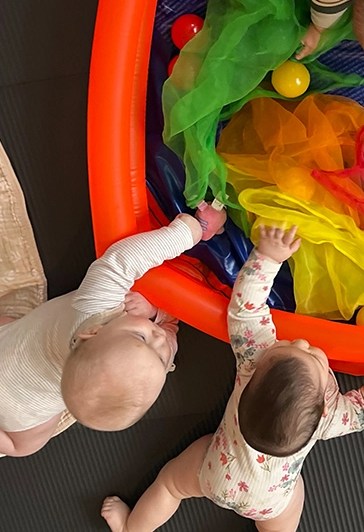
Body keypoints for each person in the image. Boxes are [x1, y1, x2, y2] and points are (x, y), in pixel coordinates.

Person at [101, 224, 364, 532]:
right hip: (268, 500)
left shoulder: (255, 359)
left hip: (216, 473)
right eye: (314, 356)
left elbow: (246, 309)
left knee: (170, 486)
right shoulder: (328, 416)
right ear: (323, 403)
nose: (303, 343)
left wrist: (267, 259)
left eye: (302, 350)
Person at [0, 190, 225, 458]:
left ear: (92, 331)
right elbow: (170, 331)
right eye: (161, 356)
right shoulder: (148, 365)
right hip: (13, 372)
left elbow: (120, 261)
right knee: (24, 445)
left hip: (14, 380)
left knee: (26, 443)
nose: (159, 339)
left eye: (142, 338)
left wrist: (186, 233)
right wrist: (156, 313)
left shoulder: (91, 309)